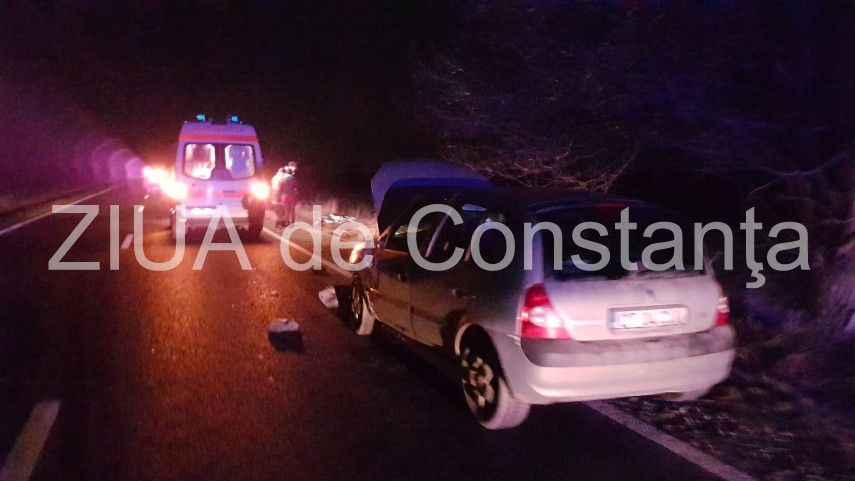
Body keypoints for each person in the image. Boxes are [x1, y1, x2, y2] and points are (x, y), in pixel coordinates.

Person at [272, 162, 299, 227]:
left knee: (286, 210)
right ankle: (292, 222)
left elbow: (279, 188)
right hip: (292, 196)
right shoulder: (293, 178)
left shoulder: (280, 178)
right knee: (292, 210)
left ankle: (285, 222)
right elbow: (296, 186)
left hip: (283, 196)